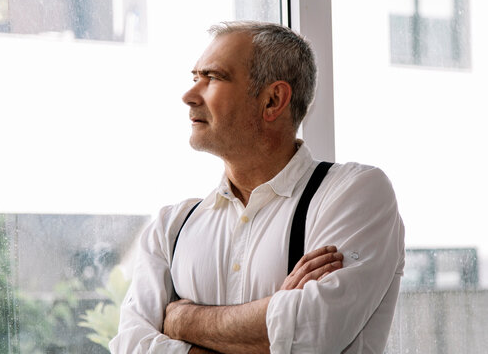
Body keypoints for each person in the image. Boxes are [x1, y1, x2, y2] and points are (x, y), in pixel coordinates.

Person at [109, 21, 405, 353]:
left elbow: (311, 333)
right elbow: (129, 346)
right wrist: (274, 317)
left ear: (273, 100)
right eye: (195, 78)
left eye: (213, 78)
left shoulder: (354, 194)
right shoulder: (170, 228)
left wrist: (182, 321)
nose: (189, 95)